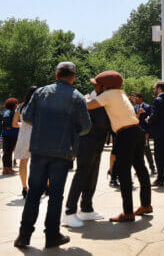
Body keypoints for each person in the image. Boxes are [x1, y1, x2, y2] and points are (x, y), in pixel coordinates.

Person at [15, 62, 91, 250]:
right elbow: (86, 127)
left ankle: (24, 236)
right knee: (56, 195)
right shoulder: (77, 97)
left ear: (57, 75)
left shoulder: (40, 93)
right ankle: (52, 235)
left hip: (39, 149)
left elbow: (27, 116)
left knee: (34, 193)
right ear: (73, 76)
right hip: (63, 151)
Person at [86, 71, 151, 223]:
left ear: (104, 85)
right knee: (141, 169)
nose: (96, 87)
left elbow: (88, 106)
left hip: (125, 134)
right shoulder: (121, 94)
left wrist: (85, 98)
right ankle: (146, 205)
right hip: (137, 131)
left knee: (123, 173)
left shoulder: (108, 95)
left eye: (97, 85)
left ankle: (128, 213)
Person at [63, 88, 110, 227]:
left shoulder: (102, 100)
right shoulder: (87, 100)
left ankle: (86, 208)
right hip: (85, 142)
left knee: (92, 175)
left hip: (97, 143)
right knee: (82, 174)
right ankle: (69, 211)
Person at [14, 86, 37, 198]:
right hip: (37, 134)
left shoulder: (20, 107)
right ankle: (45, 185)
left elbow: (14, 124)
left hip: (23, 135)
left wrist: (22, 125)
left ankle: (24, 188)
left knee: (23, 163)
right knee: (40, 162)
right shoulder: (40, 105)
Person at [133, 93, 156, 176]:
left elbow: (150, 121)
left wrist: (148, 133)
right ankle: (139, 169)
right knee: (137, 152)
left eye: (136, 98)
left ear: (141, 98)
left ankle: (152, 168)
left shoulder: (148, 107)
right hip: (136, 132)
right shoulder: (134, 108)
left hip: (144, 133)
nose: (134, 100)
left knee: (147, 151)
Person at [2, 98, 19, 175]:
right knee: (7, 152)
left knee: (9, 152)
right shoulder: (8, 111)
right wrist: (8, 126)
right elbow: (6, 117)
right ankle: (5, 169)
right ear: (13, 104)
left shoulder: (13, 112)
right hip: (8, 135)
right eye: (16, 103)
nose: (17, 105)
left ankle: (9, 168)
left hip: (12, 135)